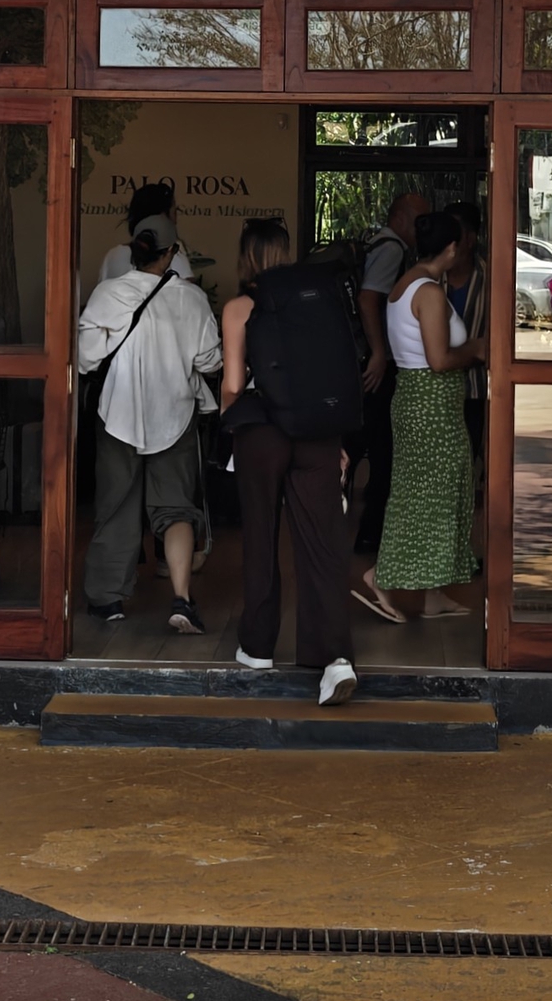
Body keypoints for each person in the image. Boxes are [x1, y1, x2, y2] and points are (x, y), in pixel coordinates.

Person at [219, 218, 358, 705]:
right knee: (323, 544)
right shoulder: (317, 302)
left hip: (261, 430)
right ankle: (334, 658)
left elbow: (233, 384)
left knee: (261, 536)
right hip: (316, 432)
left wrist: (231, 424)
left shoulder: (239, 308)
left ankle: (257, 648)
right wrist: (332, 437)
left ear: (246, 257)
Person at [77, 217, 222, 633]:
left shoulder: (108, 294)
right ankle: (181, 598)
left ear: (134, 251)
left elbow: (86, 358)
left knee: (116, 506)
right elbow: (210, 361)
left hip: (117, 415)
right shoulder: (190, 301)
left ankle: (107, 600)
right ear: (172, 253)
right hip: (174, 416)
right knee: (176, 508)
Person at [355, 210, 481, 625]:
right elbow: (439, 359)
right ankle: (380, 575)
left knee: (432, 494)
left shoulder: (405, 284)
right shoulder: (428, 292)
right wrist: (478, 349)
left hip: (418, 401)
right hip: (430, 403)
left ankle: (432, 594)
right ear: (451, 248)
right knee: (427, 497)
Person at [350, 189, 429, 555]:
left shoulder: (376, 242)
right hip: (376, 367)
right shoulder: (392, 248)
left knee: (362, 443)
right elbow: (369, 297)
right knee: (382, 450)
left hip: (365, 362)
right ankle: (371, 534)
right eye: (418, 221)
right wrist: (379, 353)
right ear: (400, 218)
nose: (421, 229)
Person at [442, 197, 490, 509]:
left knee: (471, 460)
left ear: (470, 239)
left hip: (474, 391)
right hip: (437, 390)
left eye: (454, 232)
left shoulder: (493, 278)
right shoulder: (428, 279)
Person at [95, 181, 192, 290]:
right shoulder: (173, 253)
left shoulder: (113, 255)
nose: (176, 219)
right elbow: (187, 299)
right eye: (174, 211)